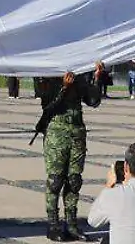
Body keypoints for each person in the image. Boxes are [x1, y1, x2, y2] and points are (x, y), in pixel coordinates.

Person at [36, 64, 105, 241]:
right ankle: (53, 225)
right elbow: (48, 107)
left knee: (74, 180)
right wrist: (64, 88)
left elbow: (93, 101)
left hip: (77, 132)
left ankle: (71, 224)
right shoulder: (47, 75)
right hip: (56, 133)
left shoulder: (80, 77)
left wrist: (97, 77)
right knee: (56, 180)